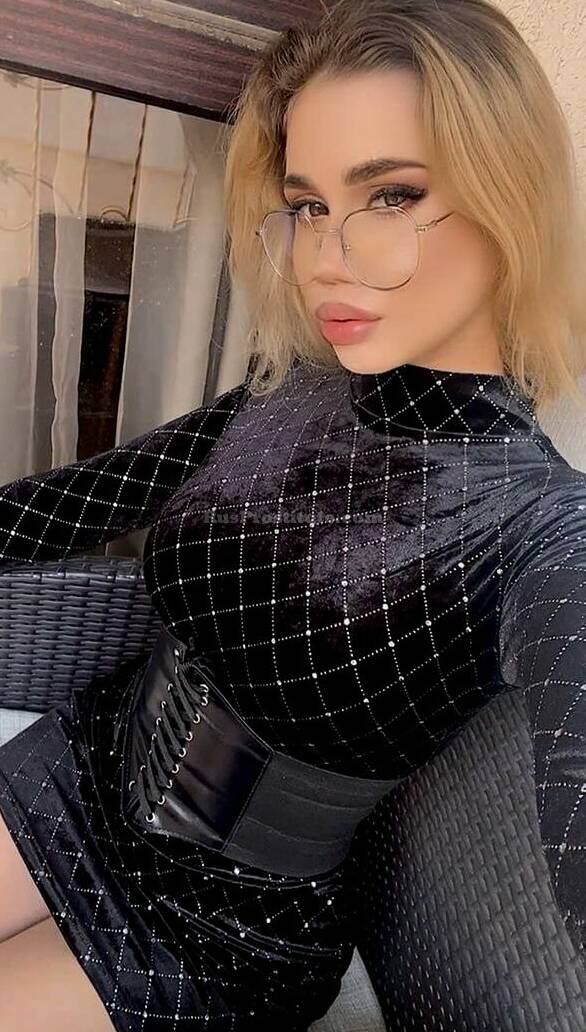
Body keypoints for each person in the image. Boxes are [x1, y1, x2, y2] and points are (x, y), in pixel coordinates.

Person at [0, 0, 585, 1028]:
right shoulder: (290, 395)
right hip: (83, 770)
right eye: (308, 204)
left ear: (512, 199)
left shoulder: (540, 525)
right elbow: (64, 506)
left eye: (391, 194)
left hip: (217, 927)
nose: (324, 257)